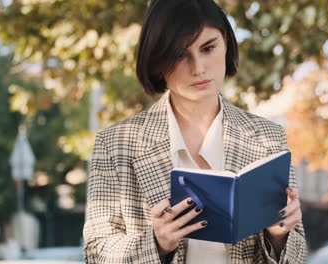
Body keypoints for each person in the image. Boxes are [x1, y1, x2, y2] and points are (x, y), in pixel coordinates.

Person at [83, 0, 307, 263]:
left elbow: (298, 254)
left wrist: (279, 237)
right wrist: (157, 243)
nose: (198, 67)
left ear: (226, 45)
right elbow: (96, 252)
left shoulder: (269, 138)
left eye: (208, 48)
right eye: (180, 54)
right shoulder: (116, 143)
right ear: (157, 61)